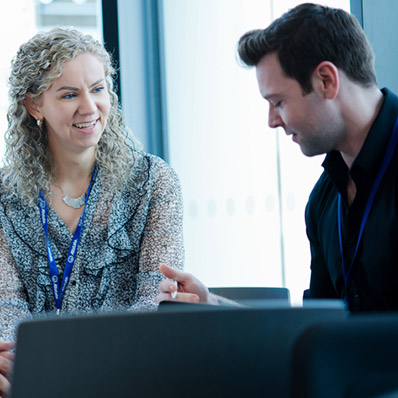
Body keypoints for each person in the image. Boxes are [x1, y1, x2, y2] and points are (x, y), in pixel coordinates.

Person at [159, 3, 398, 313]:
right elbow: (319, 330)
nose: (272, 121)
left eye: (279, 102)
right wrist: (210, 304)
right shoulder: (324, 201)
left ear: (326, 80)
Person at [0, 27, 184, 394]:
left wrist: (85, 362)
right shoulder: (5, 195)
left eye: (98, 89)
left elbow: (156, 297)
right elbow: (7, 304)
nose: (89, 107)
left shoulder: (153, 181)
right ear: (35, 105)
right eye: (69, 94)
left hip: (129, 373)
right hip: (36, 379)